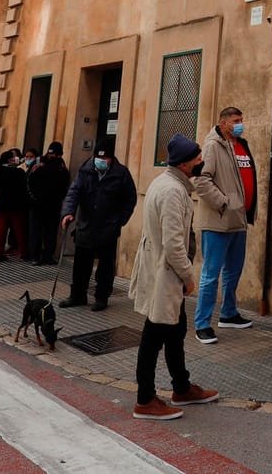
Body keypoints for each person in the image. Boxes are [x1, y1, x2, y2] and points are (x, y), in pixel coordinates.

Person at [127, 133, 219, 420]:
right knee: (153, 336)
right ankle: (145, 399)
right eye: (197, 159)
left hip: (165, 274)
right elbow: (173, 243)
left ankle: (181, 386)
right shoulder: (172, 191)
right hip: (166, 275)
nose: (201, 162)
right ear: (184, 164)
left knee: (176, 329)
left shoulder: (167, 183)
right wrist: (189, 278)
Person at [192, 107, 258, 343]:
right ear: (223, 123)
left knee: (234, 270)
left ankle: (228, 313)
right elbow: (201, 180)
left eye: (242, 120)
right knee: (211, 275)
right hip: (219, 221)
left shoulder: (241, 144)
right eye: (236, 121)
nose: (240, 124)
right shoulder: (212, 146)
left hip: (239, 220)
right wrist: (224, 203)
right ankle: (202, 324)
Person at [59, 139, 138, 311]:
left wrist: (119, 221)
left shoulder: (121, 173)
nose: (101, 161)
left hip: (108, 228)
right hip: (85, 226)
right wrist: (68, 213)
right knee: (81, 264)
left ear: (111, 158)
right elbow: (74, 192)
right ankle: (77, 295)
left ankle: (102, 297)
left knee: (105, 267)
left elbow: (130, 199)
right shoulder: (85, 170)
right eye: (98, 157)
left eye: (105, 158)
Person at [28, 142, 71, 265]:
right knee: (36, 231)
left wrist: (61, 198)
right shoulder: (37, 162)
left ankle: (48, 255)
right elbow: (28, 180)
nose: (52, 156)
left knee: (51, 232)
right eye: (51, 153)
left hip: (53, 204)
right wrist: (33, 198)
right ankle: (35, 256)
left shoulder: (61, 165)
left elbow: (65, 182)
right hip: (37, 204)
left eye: (55, 154)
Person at [0, 148, 30, 261]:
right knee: (19, 230)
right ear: (9, 160)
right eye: (13, 157)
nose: (17, 159)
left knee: (2, 230)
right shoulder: (18, 172)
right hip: (16, 205)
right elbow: (23, 187)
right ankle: (23, 253)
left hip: (2, 205)